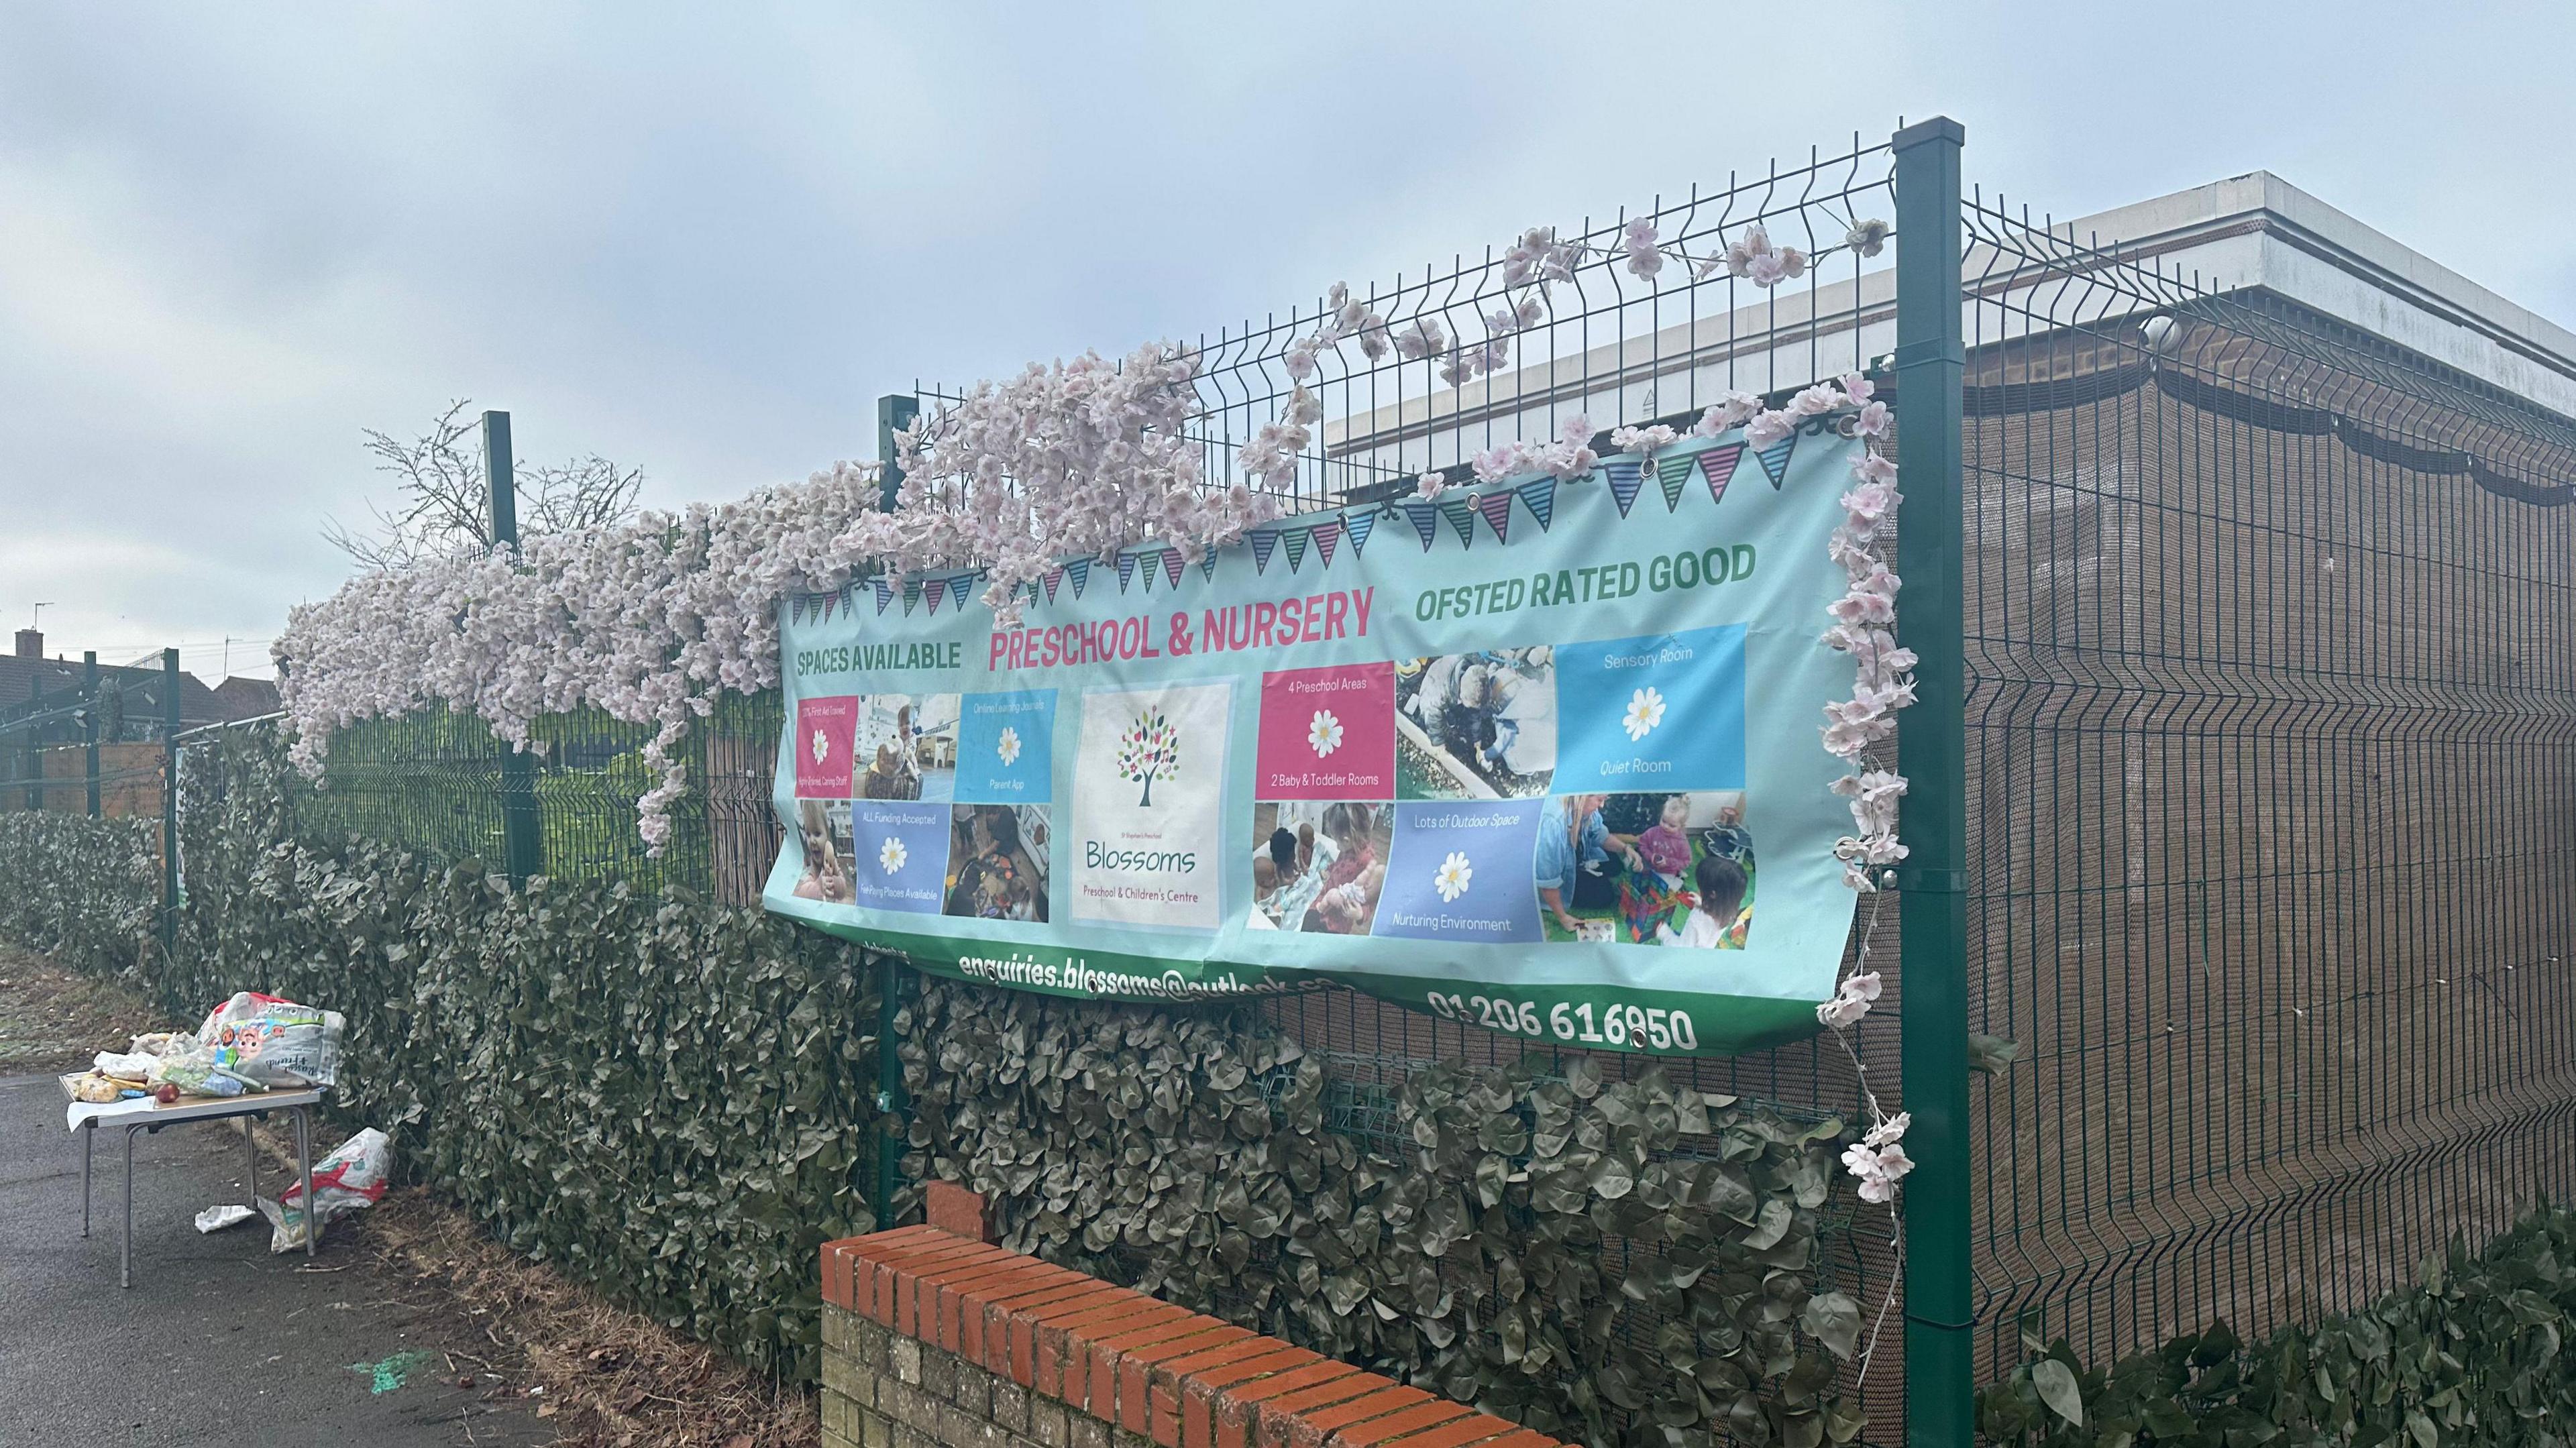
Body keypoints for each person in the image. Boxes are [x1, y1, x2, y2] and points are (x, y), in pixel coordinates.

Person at [1536, 793, 1645, 934]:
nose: (1602, 805)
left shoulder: (1584, 808)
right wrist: (1563, 918)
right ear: (1582, 797)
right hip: (1560, 874)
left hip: (1579, 857)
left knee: (1615, 866)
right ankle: (1588, 879)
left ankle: (1591, 875)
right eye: (1599, 800)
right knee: (1605, 896)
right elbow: (1548, 880)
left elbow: (1601, 835)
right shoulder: (1553, 824)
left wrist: (1626, 848)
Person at [1657, 854, 1750, 949]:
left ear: (1713, 894)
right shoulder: (1728, 912)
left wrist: (1664, 933)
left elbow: (1683, 948)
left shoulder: (1698, 918)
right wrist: (1702, 904)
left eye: (1701, 887)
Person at [1635, 795, 1695, 887]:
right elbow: (1642, 844)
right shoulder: (1653, 832)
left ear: (1681, 826)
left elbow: (1686, 862)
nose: (1666, 826)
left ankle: (1679, 878)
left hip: (1668, 871)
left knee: (1664, 888)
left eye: (1672, 826)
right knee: (1634, 868)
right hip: (1649, 863)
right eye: (1664, 821)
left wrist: (1668, 862)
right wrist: (1650, 856)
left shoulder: (1682, 842)